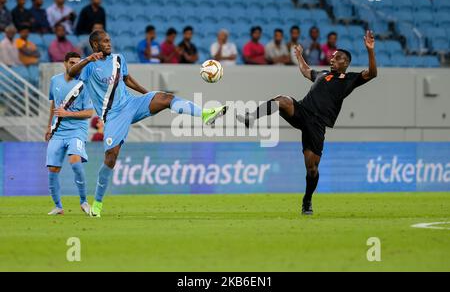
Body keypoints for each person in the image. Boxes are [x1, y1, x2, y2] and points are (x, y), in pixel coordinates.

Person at [68, 30, 228, 217]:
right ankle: (98, 203)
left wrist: (147, 94)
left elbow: (126, 79)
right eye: (104, 41)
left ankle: (205, 114)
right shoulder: (88, 66)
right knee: (111, 157)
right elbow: (71, 73)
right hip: (113, 115)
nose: (109, 44)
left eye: (109, 40)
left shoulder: (118, 59)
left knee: (165, 98)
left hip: (132, 103)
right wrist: (87, 59)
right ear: (95, 45)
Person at [237, 31, 377, 215]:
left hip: (317, 125)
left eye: (337, 58)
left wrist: (370, 51)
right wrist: (299, 56)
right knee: (283, 100)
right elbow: (305, 71)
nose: (332, 59)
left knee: (312, 169)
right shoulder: (322, 74)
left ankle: (307, 200)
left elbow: (372, 73)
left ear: (346, 63)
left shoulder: (349, 79)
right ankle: (251, 117)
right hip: (302, 111)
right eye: (333, 57)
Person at [45, 51, 94, 215]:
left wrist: (68, 114)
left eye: (78, 63)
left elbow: (89, 113)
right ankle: (58, 207)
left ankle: (84, 202)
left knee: (75, 161)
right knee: (52, 169)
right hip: (58, 131)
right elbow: (54, 105)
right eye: (72, 63)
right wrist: (48, 127)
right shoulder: (55, 81)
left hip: (77, 130)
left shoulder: (84, 84)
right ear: (65, 63)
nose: (76, 66)